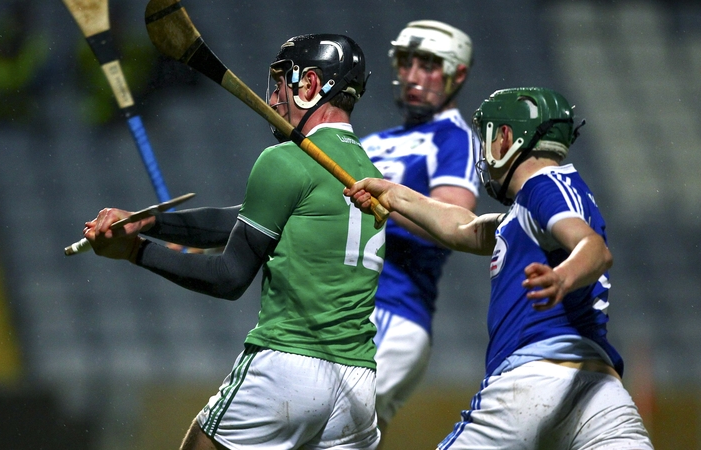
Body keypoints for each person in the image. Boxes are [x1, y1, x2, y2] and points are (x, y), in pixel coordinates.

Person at [84, 34, 385, 450]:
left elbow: (229, 277)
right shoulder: (371, 175)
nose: (275, 96)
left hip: (288, 366)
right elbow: (244, 221)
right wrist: (150, 222)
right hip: (358, 386)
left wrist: (135, 251)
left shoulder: (284, 161)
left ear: (311, 84)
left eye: (282, 82)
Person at [346, 87, 653, 449]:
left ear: (506, 137)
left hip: (532, 378)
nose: (486, 152)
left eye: (488, 135)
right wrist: (396, 196)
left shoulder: (545, 185)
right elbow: (464, 228)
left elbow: (594, 249)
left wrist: (561, 277)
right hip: (597, 392)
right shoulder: (529, 210)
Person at [358, 20, 479, 442]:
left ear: (457, 74)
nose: (411, 75)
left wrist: (385, 201)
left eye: (427, 64)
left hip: (392, 310)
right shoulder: (371, 142)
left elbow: (456, 221)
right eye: (406, 62)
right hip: (350, 307)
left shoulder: (454, 139)